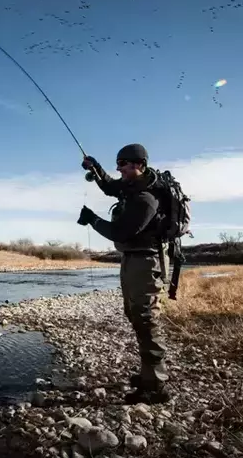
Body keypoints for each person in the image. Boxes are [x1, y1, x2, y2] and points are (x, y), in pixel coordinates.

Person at [77, 143, 171, 405]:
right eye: (117, 164)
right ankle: (148, 375)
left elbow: (120, 233)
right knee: (134, 316)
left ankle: (155, 387)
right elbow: (109, 187)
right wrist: (95, 168)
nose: (118, 169)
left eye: (122, 164)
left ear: (139, 165)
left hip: (146, 263)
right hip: (131, 260)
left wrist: (93, 220)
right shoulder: (132, 188)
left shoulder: (146, 198)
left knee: (146, 320)